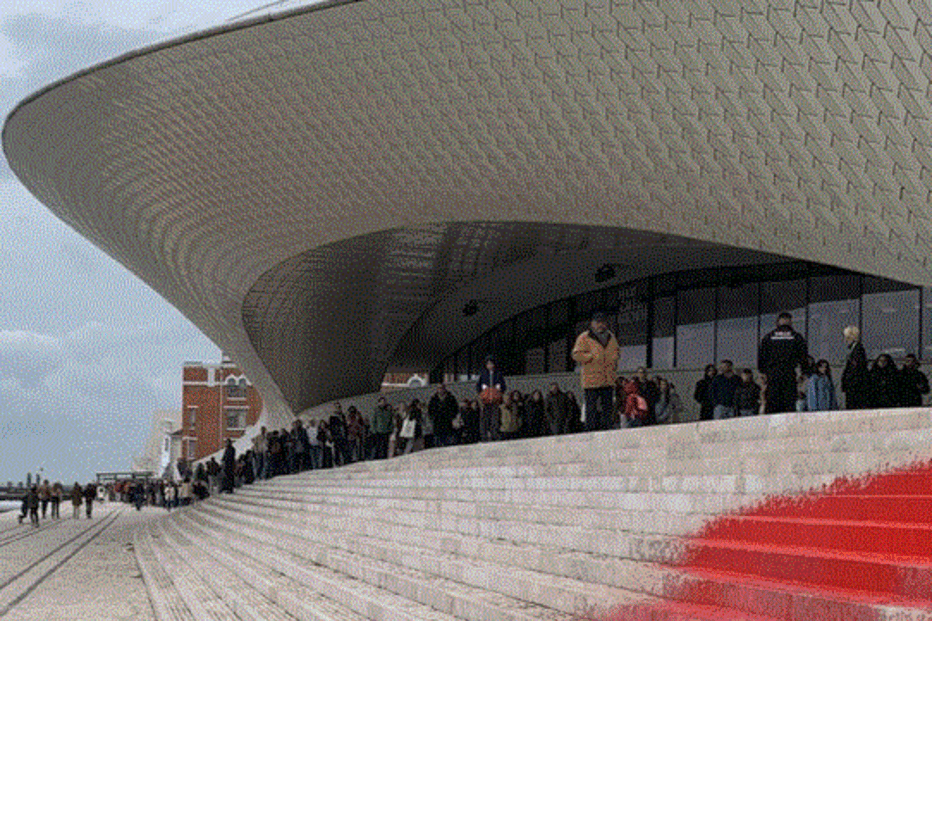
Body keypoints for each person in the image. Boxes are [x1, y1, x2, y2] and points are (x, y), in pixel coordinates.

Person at [572, 312, 620, 432]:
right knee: (591, 408)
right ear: (592, 324)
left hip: (608, 378)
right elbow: (576, 354)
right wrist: (591, 357)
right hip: (591, 380)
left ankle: (607, 429)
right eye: (598, 322)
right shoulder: (584, 337)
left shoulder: (611, 337)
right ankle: (590, 431)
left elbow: (617, 351)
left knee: (608, 407)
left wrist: (614, 359)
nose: (600, 325)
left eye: (603, 322)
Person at [758, 312, 809, 414]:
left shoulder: (769, 337)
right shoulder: (796, 337)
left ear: (778, 322)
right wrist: (804, 373)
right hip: (789, 375)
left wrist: (762, 373)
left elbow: (761, 357)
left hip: (773, 376)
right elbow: (803, 357)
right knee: (788, 405)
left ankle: (772, 427)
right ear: (790, 322)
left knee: (772, 405)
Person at [476, 356, 506, 442]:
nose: (490, 365)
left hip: (495, 400)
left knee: (495, 418)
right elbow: (478, 387)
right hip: (485, 400)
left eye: (491, 363)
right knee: (484, 418)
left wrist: (499, 390)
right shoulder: (483, 375)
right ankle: (484, 436)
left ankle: (494, 434)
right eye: (488, 364)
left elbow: (503, 386)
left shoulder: (498, 374)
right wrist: (481, 393)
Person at [840, 326, 869, 410]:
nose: (845, 340)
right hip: (854, 386)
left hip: (855, 387)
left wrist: (849, 382)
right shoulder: (856, 349)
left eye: (847, 337)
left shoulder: (858, 350)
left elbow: (856, 369)